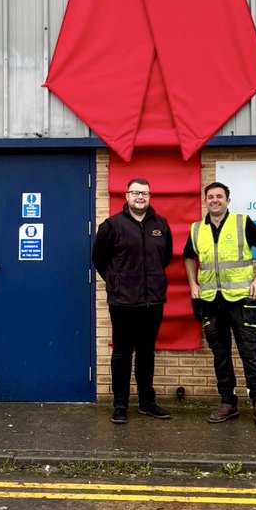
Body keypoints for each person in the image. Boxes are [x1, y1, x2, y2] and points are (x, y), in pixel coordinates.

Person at [184, 181, 256, 429]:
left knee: (250, 352)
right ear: (205, 201)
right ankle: (228, 403)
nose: (214, 200)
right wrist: (193, 283)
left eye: (219, 196)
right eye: (210, 196)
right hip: (212, 302)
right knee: (220, 355)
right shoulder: (196, 229)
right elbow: (188, 257)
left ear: (227, 200)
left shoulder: (241, 223)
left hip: (241, 301)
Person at [92, 177, 173, 424]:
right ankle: (120, 405)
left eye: (145, 193)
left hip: (153, 302)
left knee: (147, 353)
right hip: (123, 303)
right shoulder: (112, 225)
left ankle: (147, 403)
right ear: (126, 196)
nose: (141, 197)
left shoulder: (161, 224)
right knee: (122, 354)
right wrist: (118, 282)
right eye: (136, 193)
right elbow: (99, 258)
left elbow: (165, 258)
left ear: (150, 196)